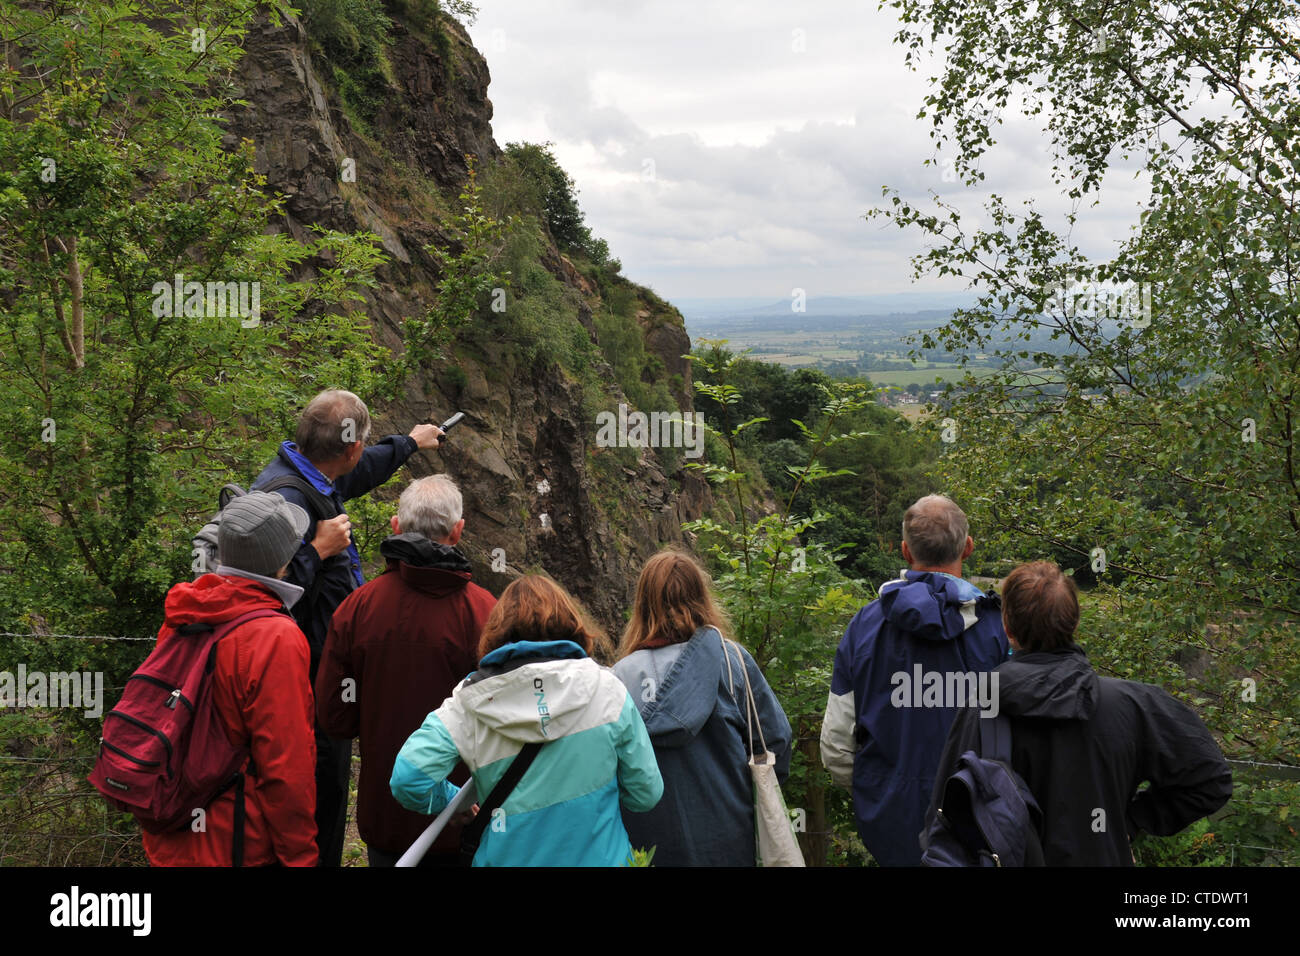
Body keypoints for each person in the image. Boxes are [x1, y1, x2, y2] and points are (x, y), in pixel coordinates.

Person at [925, 560, 1233, 865]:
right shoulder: (1133, 704)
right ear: (1074, 623)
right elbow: (1211, 779)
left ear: (1007, 628)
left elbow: (944, 816)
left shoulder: (983, 706)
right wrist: (1130, 821)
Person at [251, 388, 443, 867]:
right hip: (305, 682)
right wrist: (316, 551)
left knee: (324, 789)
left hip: (317, 674)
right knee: (321, 794)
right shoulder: (290, 502)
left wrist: (410, 444)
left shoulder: (307, 472)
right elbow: (260, 596)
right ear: (351, 446)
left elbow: (361, 471)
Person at [390, 575, 664, 866]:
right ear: (571, 623)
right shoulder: (607, 688)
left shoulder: (469, 701)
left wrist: (453, 802)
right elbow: (645, 794)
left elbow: (409, 779)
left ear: (497, 632)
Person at [315, 475, 496, 867]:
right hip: (469, 817)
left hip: (387, 820)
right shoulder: (486, 614)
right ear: (458, 531)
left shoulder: (357, 609)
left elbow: (334, 717)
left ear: (396, 527)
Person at [820, 493, 1009, 866]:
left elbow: (837, 744)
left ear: (906, 552)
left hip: (891, 825)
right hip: (982, 827)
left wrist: (874, 793)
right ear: (968, 548)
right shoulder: (1000, 629)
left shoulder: (864, 626)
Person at [143, 492, 318, 866]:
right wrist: (300, 856)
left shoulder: (186, 610)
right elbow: (286, 768)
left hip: (170, 831)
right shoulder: (275, 637)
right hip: (236, 842)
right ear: (283, 561)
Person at [612, 549, 792, 866]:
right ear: (701, 597)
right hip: (728, 841)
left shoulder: (619, 680)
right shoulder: (732, 661)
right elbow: (776, 741)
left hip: (649, 848)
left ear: (642, 605)